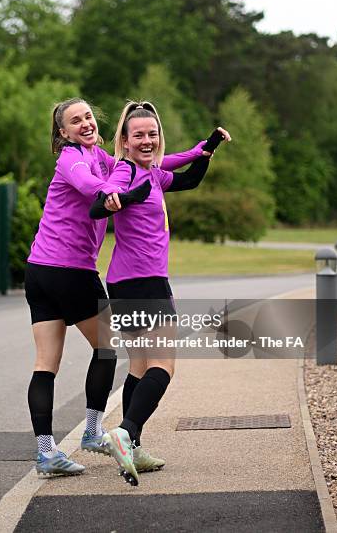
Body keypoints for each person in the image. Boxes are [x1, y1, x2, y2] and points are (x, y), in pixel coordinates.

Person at [25, 97, 211, 476]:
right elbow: (90, 185)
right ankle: (97, 433)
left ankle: (47, 452)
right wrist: (120, 196)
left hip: (38, 268)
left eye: (88, 116)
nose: (85, 123)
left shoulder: (106, 159)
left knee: (47, 363)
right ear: (62, 132)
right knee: (108, 349)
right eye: (75, 121)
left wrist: (196, 152)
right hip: (69, 269)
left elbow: (153, 164)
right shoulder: (72, 157)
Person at [89, 101, 230, 485]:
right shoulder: (125, 170)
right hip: (144, 282)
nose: (147, 140)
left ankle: (130, 444)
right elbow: (100, 205)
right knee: (164, 365)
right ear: (125, 140)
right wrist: (110, 200)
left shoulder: (153, 175)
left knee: (138, 366)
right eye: (139, 135)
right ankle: (126, 431)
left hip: (124, 282)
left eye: (153, 133)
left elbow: (189, 179)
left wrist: (209, 148)